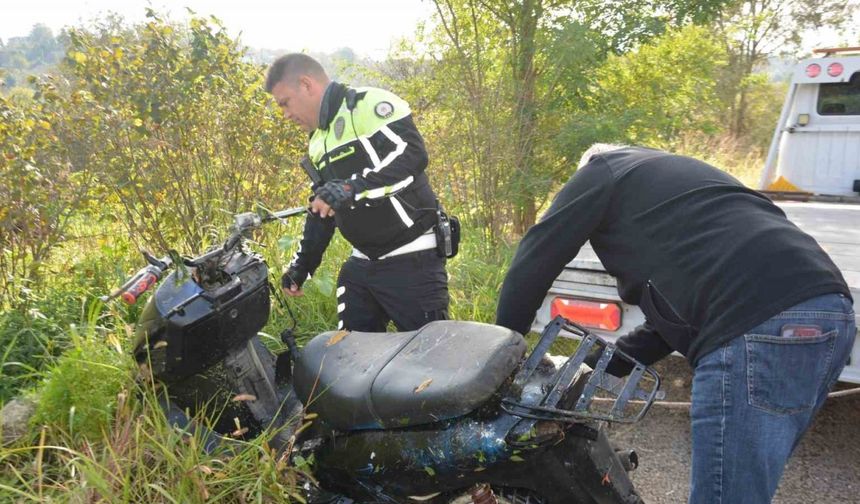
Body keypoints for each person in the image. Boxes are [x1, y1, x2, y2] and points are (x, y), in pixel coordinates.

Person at [495, 144, 855, 503]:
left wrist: (502, 356)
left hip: (754, 324)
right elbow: (666, 327)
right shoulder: (680, 177)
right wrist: (590, 368)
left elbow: (537, 255)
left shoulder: (602, 169)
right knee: (743, 488)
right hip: (829, 314)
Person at [265, 53, 449, 332]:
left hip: (412, 258)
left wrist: (351, 187)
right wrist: (302, 266)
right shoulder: (316, 142)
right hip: (362, 265)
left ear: (305, 84)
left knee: (431, 363)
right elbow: (324, 206)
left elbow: (412, 155)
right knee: (350, 358)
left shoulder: (368, 104)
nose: (286, 114)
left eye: (285, 103)